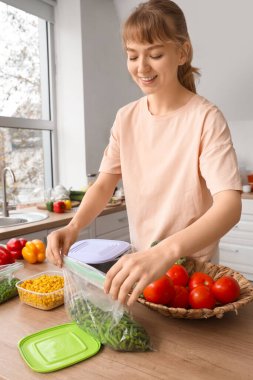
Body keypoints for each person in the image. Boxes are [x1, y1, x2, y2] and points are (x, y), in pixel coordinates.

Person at [46, 0, 242, 307]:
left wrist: (164, 251)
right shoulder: (126, 118)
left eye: (155, 54)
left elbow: (229, 205)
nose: (142, 67)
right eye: (132, 56)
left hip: (191, 277)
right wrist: (73, 226)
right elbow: (103, 184)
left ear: (182, 52)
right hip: (143, 268)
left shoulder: (206, 118)